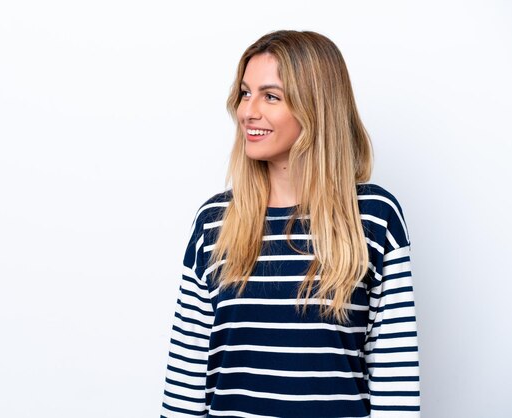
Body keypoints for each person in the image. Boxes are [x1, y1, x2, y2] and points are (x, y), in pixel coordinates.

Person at [160, 30, 420, 418]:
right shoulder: (215, 223)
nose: (248, 111)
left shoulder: (373, 217)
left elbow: (396, 380)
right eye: (245, 93)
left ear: (315, 107)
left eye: (271, 96)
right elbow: (185, 381)